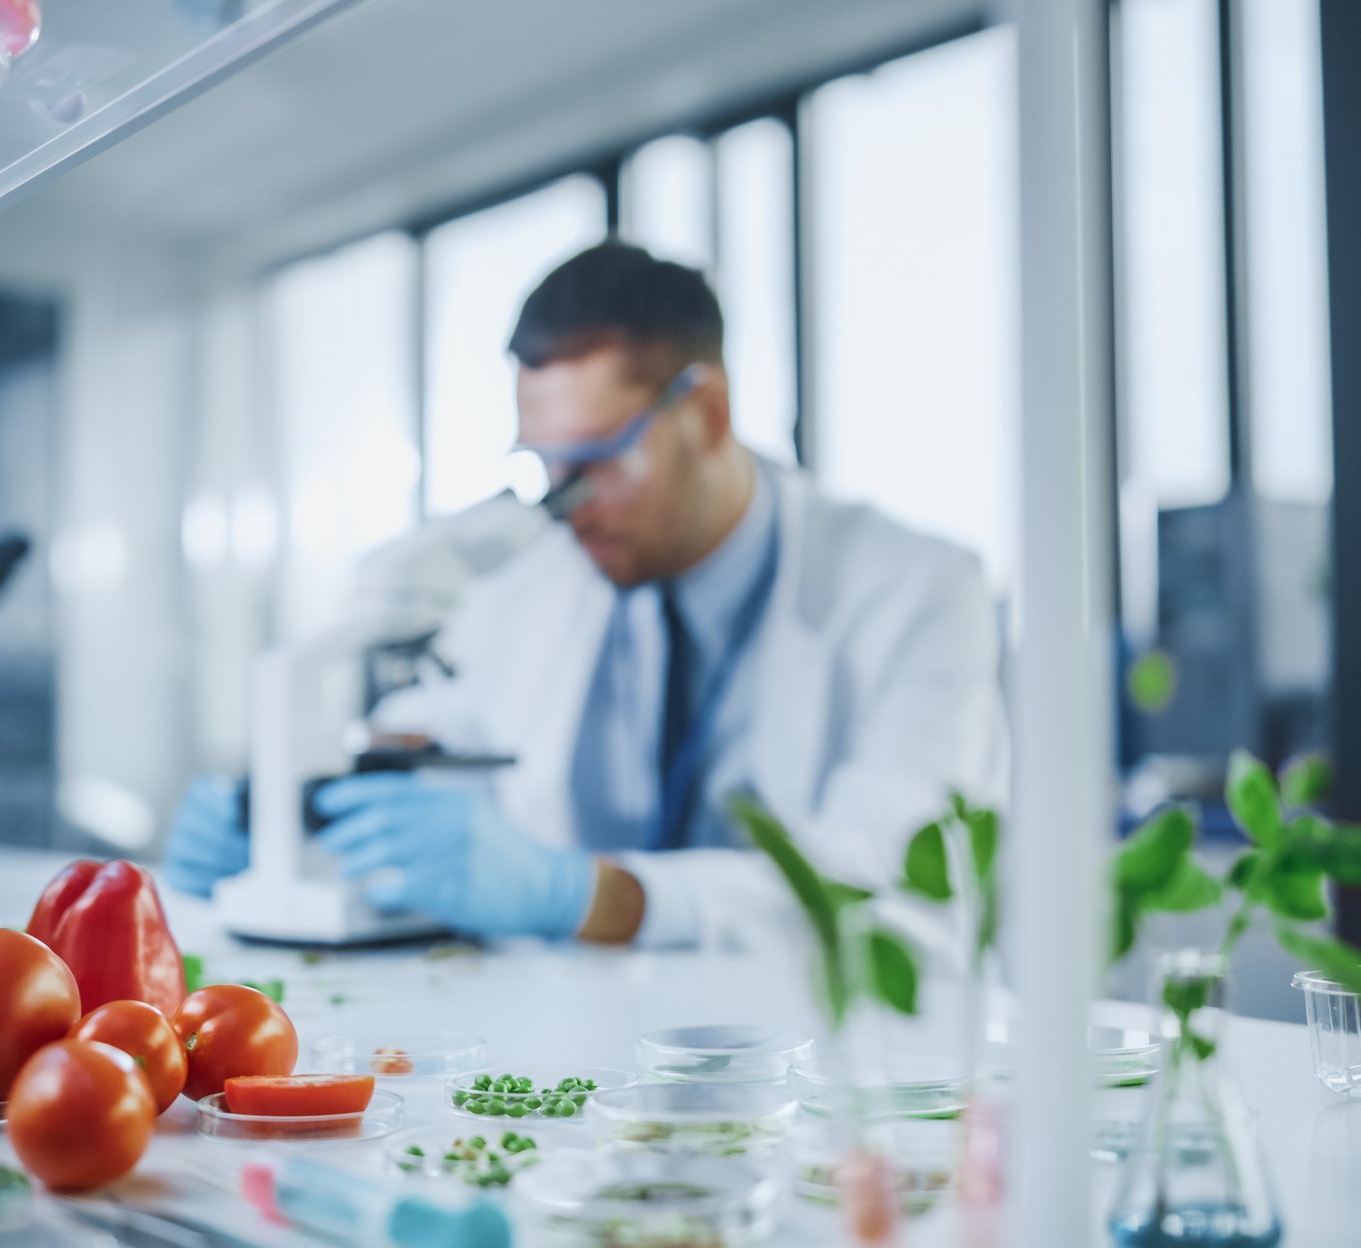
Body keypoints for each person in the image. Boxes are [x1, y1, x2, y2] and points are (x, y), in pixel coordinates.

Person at [166, 242, 1007, 946]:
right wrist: (285, 817)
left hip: (829, 1071)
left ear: (707, 413)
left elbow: (891, 892)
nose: (565, 506)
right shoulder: (538, 579)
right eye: (544, 466)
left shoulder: (917, 590)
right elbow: (446, 755)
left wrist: (595, 895)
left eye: (596, 460)